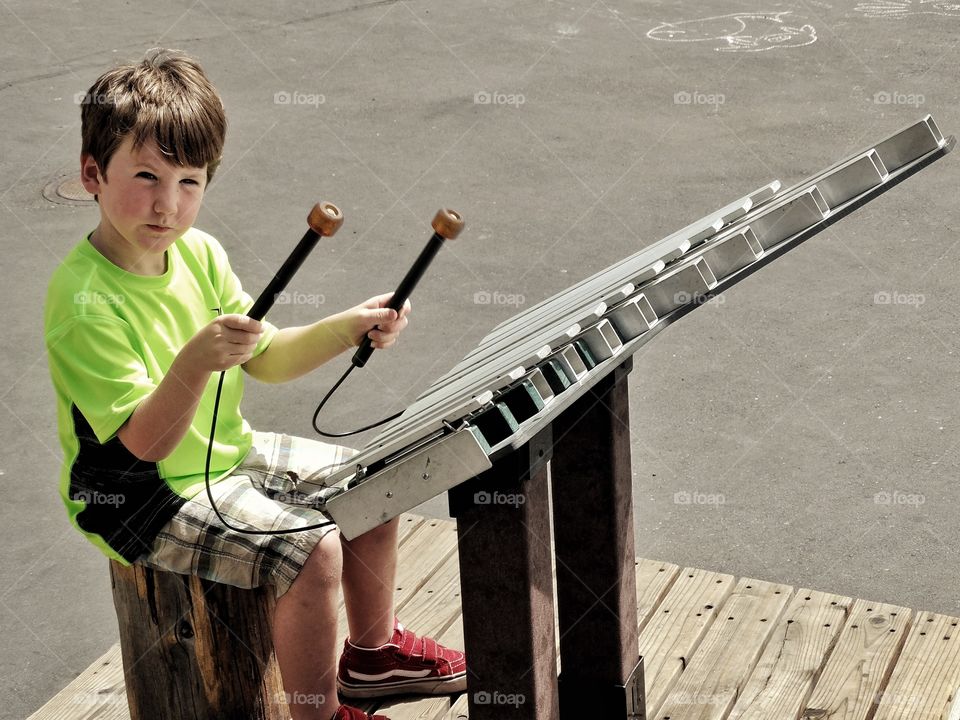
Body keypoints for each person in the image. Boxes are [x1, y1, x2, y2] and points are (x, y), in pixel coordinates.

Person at [44, 48, 465, 720]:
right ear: (93, 174)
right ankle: (319, 714)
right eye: (146, 175)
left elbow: (264, 357)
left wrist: (349, 326)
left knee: (374, 479)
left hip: (220, 456)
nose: (168, 203)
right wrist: (192, 363)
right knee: (311, 552)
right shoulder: (82, 298)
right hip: (135, 498)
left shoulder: (198, 253)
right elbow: (143, 447)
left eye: (190, 181)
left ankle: (374, 655)